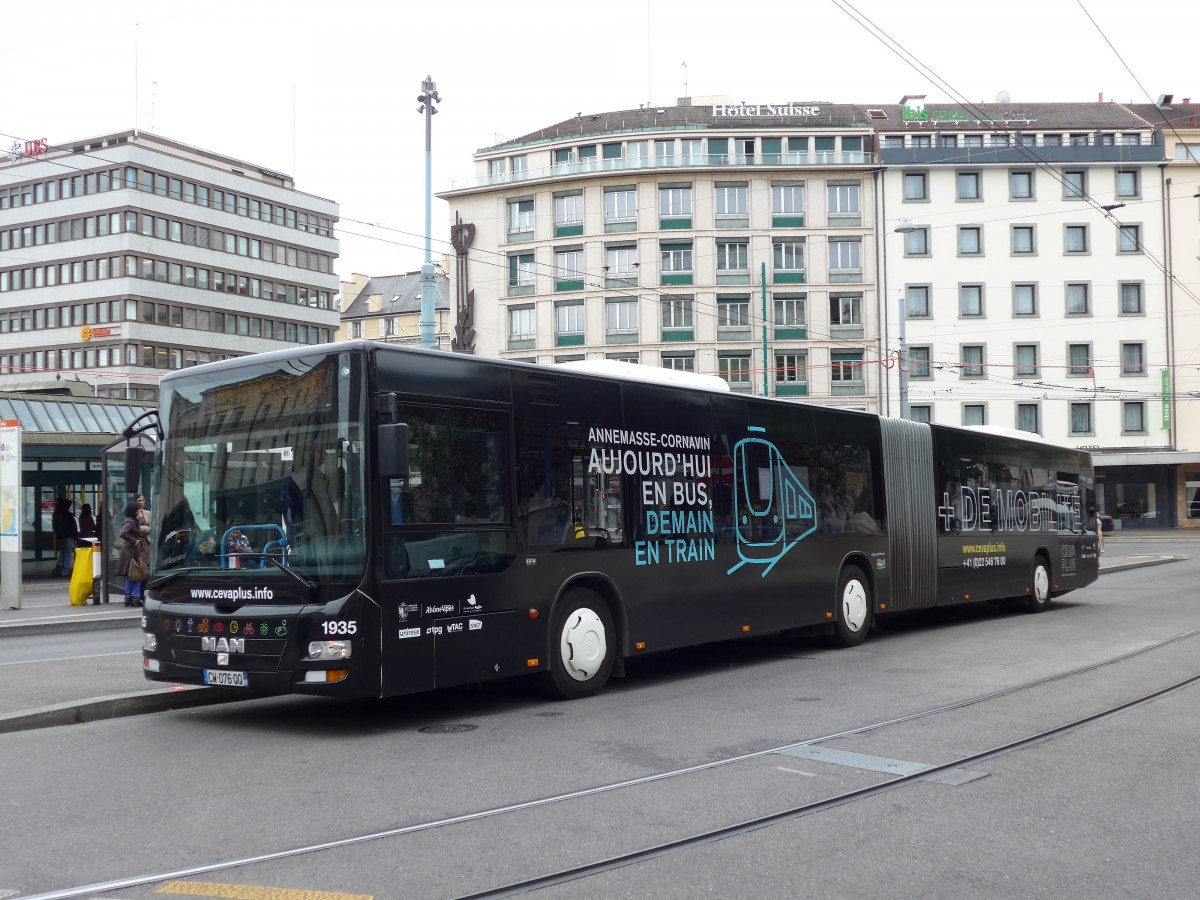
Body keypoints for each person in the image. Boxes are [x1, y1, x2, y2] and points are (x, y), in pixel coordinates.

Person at [117, 501, 151, 607]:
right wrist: (135, 541)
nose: (139, 511)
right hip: (131, 552)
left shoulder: (131, 520)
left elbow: (133, 532)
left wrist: (143, 533)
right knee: (136, 574)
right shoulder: (130, 522)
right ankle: (134, 598)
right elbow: (123, 533)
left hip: (132, 551)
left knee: (132, 575)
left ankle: (129, 598)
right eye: (137, 510)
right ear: (133, 511)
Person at [51, 498, 79, 577]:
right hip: (68, 536)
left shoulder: (56, 514)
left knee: (63, 552)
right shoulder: (68, 515)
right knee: (67, 554)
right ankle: (65, 570)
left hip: (60, 536)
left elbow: (55, 526)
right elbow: (73, 526)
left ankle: (60, 565)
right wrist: (75, 535)